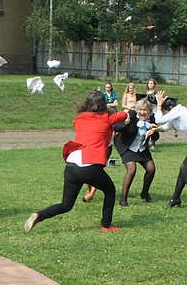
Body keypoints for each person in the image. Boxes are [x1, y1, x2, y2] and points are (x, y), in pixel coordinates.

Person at [24, 90, 128, 233]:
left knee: (66, 204)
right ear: (103, 104)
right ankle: (106, 225)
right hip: (88, 164)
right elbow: (123, 115)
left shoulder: (79, 118)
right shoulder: (106, 118)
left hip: (71, 164)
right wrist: (127, 111)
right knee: (110, 190)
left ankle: (39, 215)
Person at [113, 100, 158, 206]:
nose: (142, 112)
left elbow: (156, 137)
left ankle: (145, 193)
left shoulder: (152, 119)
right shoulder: (131, 115)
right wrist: (126, 123)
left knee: (151, 169)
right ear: (137, 110)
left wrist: (153, 130)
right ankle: (123, 198)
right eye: (140, 110)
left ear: (150, 112)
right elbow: (116, 127)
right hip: (126, 146)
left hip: (141, 148)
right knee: (132, 169)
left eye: (145, 110)